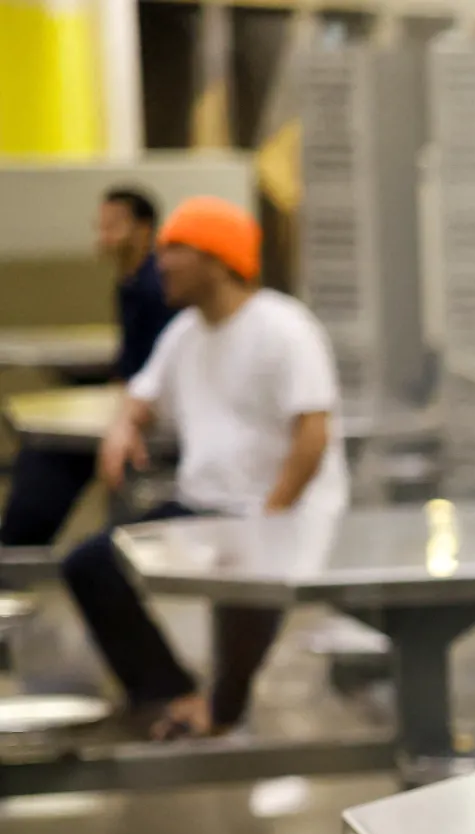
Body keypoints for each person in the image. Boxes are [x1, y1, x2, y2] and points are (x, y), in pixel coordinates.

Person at [83, 195, 347, 739]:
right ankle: (169, 693)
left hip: (273, 510)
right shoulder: (185, 333)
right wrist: (122, 428)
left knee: (242, 597)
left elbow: (312, 435)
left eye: (174, 250)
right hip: (204, 506)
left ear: (216, 258)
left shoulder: (283, 328)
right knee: (92, 564)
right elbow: (142, 394)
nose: (160, 264)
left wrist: (271, 517)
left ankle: (220, 712)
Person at [0, 186, 178, 549]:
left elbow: (152, 372)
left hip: (156, 417)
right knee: (44, 450)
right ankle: (15, 552)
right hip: (133, 405)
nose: (103, 236)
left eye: (113, 226)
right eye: (100, 226)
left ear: (144, 229)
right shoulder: (130, 283)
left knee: (49, 455)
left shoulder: (156, 288)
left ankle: (15, 554)